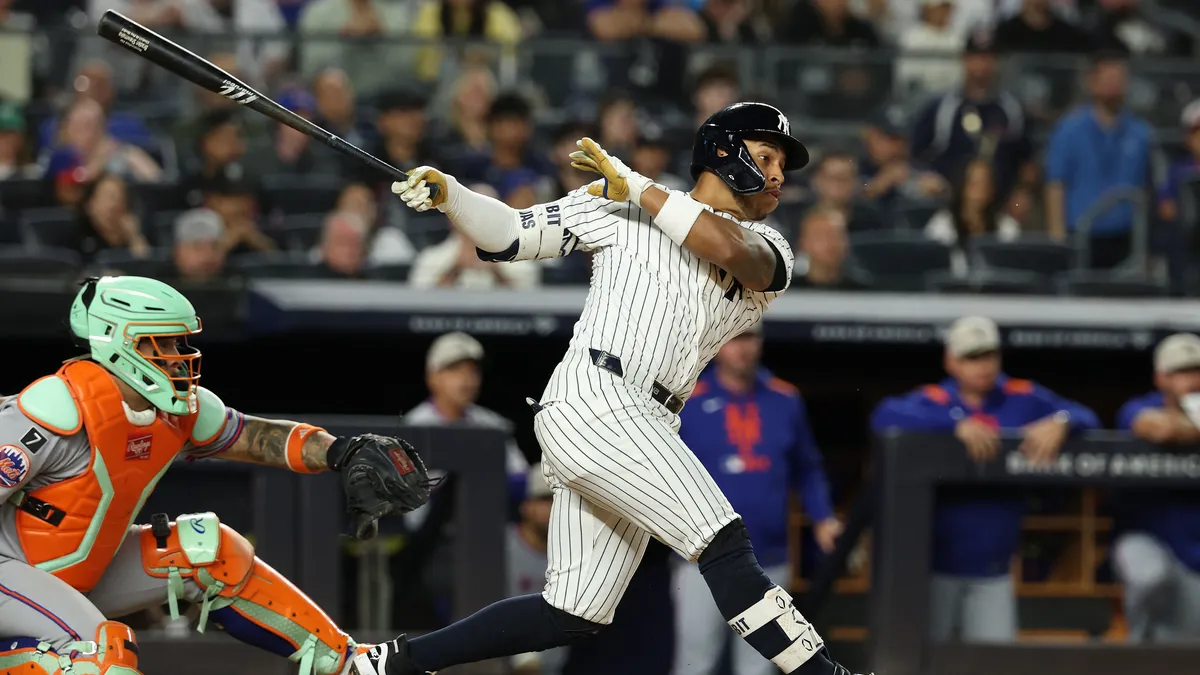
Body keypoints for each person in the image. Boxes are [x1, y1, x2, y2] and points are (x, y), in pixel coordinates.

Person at [358, 102, 864, 675]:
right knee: (721, 539)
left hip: (649, 417)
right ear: (724, 152)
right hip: (598, 397)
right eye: (766, 157)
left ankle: (388, 663)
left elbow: (730, 251)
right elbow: (509, 232)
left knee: (571, 614)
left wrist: (640, 188)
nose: (777, 175)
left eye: (782, 166)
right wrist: (452, 195)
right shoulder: (617, 204)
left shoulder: (770, 245)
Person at [0, 275, 432, 675]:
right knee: (99, 654)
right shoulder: (55, 408)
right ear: (117, 339)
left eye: (179, 343)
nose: (179, 357)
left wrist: (341, 451)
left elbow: (253, 435)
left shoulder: (176, 412)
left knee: (211, 552)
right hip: (9, 569)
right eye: (163, 343)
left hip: (76, 568)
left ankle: (350, 664)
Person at [870, 315, 1099, 643]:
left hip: (994, 569)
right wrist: (954, 425)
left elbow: (1086, 416)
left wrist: (1062, 422)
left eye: (989, 354)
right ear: (951, 361)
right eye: (971, 357)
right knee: (927, 657)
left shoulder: (1021, 396)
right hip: (934, 566)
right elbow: (884, 414)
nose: (983, 365)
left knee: (995, 661)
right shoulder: (936, 400)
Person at [673, 321, 842, 675]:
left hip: (770, 557)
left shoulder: (785, 398)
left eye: (749, 337)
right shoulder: (689, 399)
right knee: (695, 663)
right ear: (717, 343)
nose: (742, 347)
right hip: (700, 558)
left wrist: (823, 517)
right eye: (734, 338)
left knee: (760, 666)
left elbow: (808, 468)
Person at [1113, 333, 1200, 642]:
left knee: (1186, 646)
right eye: (1182, 372)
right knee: (1149, 576)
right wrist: (1193, 426)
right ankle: (1136, 644)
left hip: (1193, 550)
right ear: (1161, 378)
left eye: (1197, 371)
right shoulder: (1139, 406)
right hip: (1145, 538)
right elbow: (1160, 428)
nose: (1193, 380)